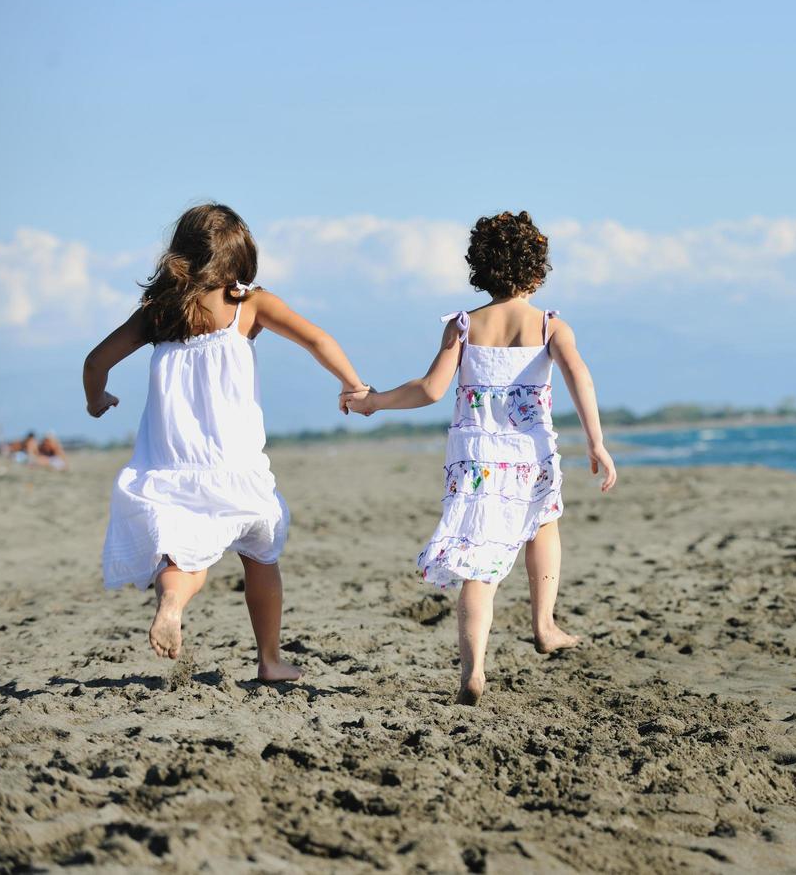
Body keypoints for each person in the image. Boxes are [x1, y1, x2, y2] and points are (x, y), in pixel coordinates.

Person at [82, 203, 368, 682]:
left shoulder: (157, 315)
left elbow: (95, 362)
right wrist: (352, 385)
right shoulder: (248, 306)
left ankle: (172, 604)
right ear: (236, 259)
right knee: (261, 556)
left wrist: (97, 401)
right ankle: (270, 659)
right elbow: (317, 340)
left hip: (171, 462)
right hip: (235, 463)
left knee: (182, 553)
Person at [346, 210, 617, 704]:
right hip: (529, 454)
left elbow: (430, 390)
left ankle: (473, 672)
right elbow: (580, 376)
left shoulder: (463, 324)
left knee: (478, 560)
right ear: (538, 272)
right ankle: (544, 624)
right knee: (543, 525)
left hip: (473, 457)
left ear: (480, 271)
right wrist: (595, 441)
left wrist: (375, 400)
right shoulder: (550, 325)